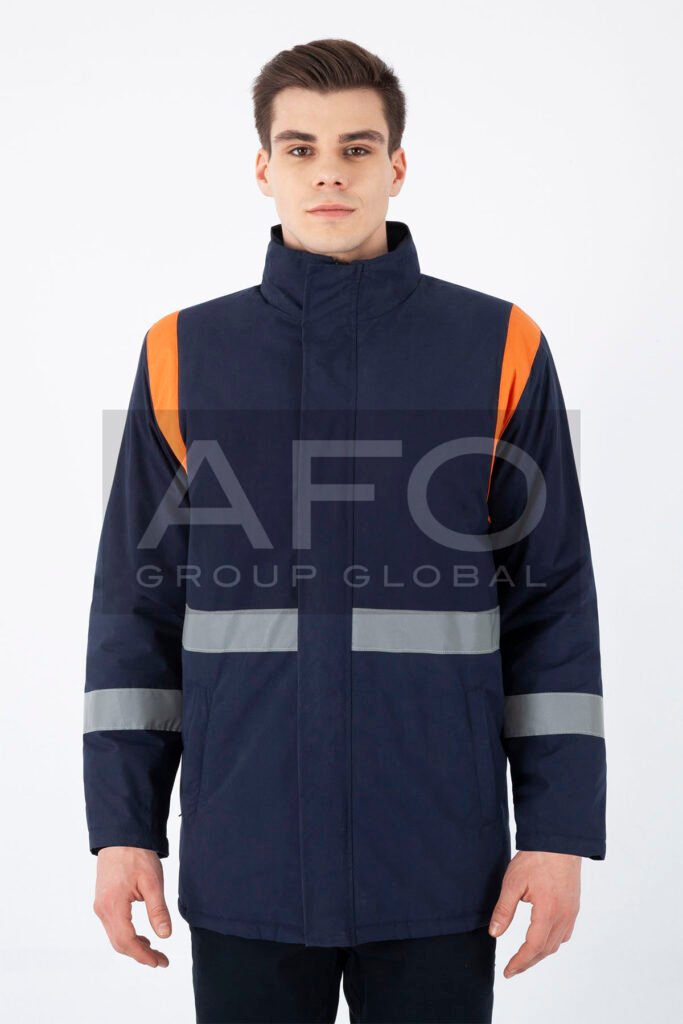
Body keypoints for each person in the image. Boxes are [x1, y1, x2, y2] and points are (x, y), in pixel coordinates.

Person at [83, 37, 607, 1024]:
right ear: (263, 167)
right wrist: (123, 828)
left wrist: (557, 832)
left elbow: (550, 605)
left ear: (395, 165)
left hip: (440, 860)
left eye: (356, 148)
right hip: (245, 853)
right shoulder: (181, 352)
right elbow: (134, 614)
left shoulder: (498, 345)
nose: (328, 171)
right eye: (301, 148)